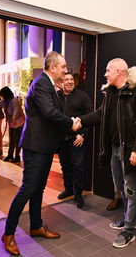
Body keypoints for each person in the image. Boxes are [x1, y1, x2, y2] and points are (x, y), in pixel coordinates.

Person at [1, 51, 79, 256]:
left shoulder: (47, 84)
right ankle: (8, 234)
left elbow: (50, 116)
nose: (65, 70)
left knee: (38, 189)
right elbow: (50, 113)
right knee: (28, 189)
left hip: (43, 146)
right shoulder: (42, 83)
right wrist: (70, 122)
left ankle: (36, 226)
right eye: (63, 67)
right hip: (35, 147)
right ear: (52, 67)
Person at [79, 59, 136, 248]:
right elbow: (99, 115)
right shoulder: (111, 93)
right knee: (121, 186)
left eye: (108, 70)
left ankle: (129, 230)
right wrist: (80, 120)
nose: (105, 74)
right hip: (114, 148)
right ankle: (131, 218)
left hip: (131, 150)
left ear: (120, 71)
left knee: (131, 188)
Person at [57, 73, 92, 208]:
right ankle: (68, 190)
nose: (70, 82)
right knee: (65, 166)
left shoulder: (82, 96)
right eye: (66, 79)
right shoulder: (57, 96)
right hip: (61, 139)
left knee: (77, 168)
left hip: (76, 139)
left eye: (72, 79)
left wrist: (82, 134)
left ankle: (78, 195)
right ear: (62, 82)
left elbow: (89, 117)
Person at [0, 86, 25, 163]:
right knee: (11, 140)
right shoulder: (5, 101)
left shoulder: (13, 101)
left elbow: (17, 109)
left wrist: (14, 117)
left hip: (18, 123)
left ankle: (17, 156)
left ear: (5, 94)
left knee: (17, 140)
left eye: (2, 95)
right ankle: (10, 155)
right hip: (12, 123)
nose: (1, 97)